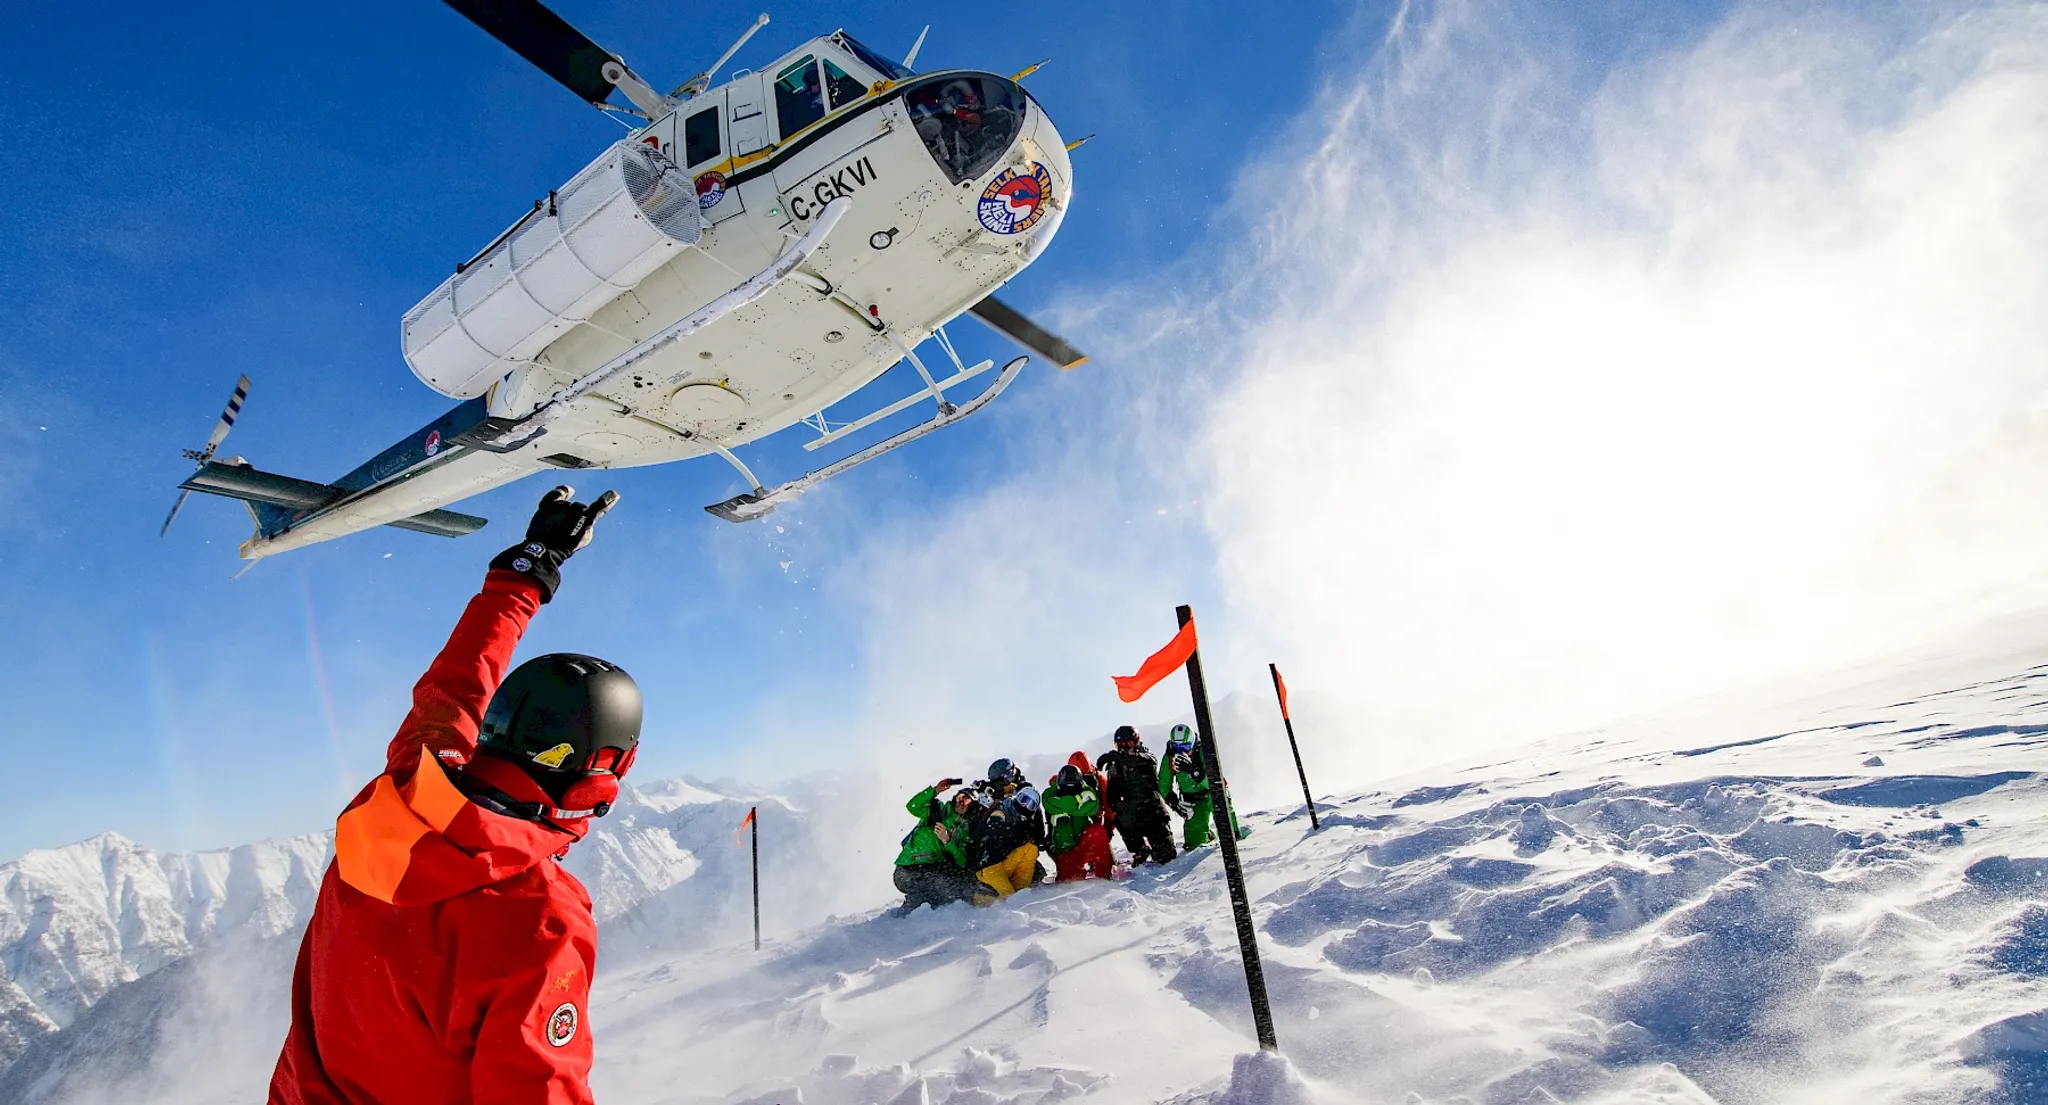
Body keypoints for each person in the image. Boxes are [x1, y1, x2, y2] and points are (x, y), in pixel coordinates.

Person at [270, 486, 634, 1105]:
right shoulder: (538, 922)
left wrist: (530, 566)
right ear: (596, 779)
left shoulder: (405, 795)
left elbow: (460, 683)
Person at [893, 778, 994, 913]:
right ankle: (908, 912)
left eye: (967, 801)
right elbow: (912, 806)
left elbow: (962, 860)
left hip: (931, 869)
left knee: (949, 888)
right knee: (941, 884)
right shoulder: (937, 811)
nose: (961, 802)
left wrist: (948, 841)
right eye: (960, 797)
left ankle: (917, 911)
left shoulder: (963, 832)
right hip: (907, 869)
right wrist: (935, 790)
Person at [1096, 726, 1177, 865]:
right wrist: (1121, 806)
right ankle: (1140, 849)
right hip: (1133, 813)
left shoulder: (1146, 757)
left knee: (1166, 858)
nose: (1123, 748)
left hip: (1153, 813)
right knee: (1120, 818)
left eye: (1127, 744)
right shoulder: (1116, 767)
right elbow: (1111, 797)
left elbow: (1147, 761)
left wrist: (1123, 758)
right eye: (1119, 745)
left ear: (1136, 742)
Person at [1159, 723, 1244, 850]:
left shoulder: (1204, 751)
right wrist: (1174, 803)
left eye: (1185, 747)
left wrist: (1194, 772)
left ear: (1193, 743)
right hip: (1193, 800)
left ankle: (1234, 836)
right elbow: (1163, 784)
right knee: (1193, 844)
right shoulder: (1170, 757)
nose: (1181, 751)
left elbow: (1215, 782)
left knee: (1220, 806)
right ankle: (1208, 836)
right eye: (1176, 747)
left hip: (1211, 792)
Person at [1044, 759, 1114, 881]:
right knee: (1070, 882)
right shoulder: (1051, 795)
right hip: (1065, 849)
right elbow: (1048, 802)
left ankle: (1104, 875)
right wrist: (1078, 803)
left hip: (1084, 844)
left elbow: (1093, 806)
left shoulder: (1088, 791)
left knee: (1098, 832)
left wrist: (1065, 806)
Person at [971, 785, 1044, 897]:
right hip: (988, 865)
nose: (1024, 805)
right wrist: (1010, 831)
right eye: (1023, 800)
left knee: (1031, 848)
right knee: (1010, 899)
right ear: (1017, 797)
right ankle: (983, 894)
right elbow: (994, 827)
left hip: (1003, 862)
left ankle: (1021, 890)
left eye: (1030, 805)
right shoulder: (1002, 810)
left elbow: (1036, 837)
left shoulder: (1022, 819)